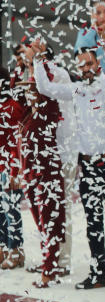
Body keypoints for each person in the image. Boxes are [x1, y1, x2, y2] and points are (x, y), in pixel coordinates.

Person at [34, 37, 105, 294]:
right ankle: (99, 272)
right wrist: (38, 60)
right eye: (81, 66)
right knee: (93, 223)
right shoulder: (77, 90)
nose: (85, 69)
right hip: (88, 166)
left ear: (98, 64)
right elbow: (46, 88)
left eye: (89, 64)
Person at [17, 51, 66, 289]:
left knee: (50, 223)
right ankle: (49, 262)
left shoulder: (50, 110)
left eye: (33, 87)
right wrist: (20, 66)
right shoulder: (28, 114)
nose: (29, 91)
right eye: (27, 88)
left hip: (47, 175)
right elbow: (11, 90)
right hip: (30, 177)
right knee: (40, 223)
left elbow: (48, 90)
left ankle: (50, 268)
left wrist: (39, 62)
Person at [0, 67, 25, 270]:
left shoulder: (13, 107)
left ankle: (16, 251)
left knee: (11, 212)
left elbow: (16, 142)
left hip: (10, 167)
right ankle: (3, 249)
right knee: (2, 212)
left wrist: (15, 171)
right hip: (1, 165)